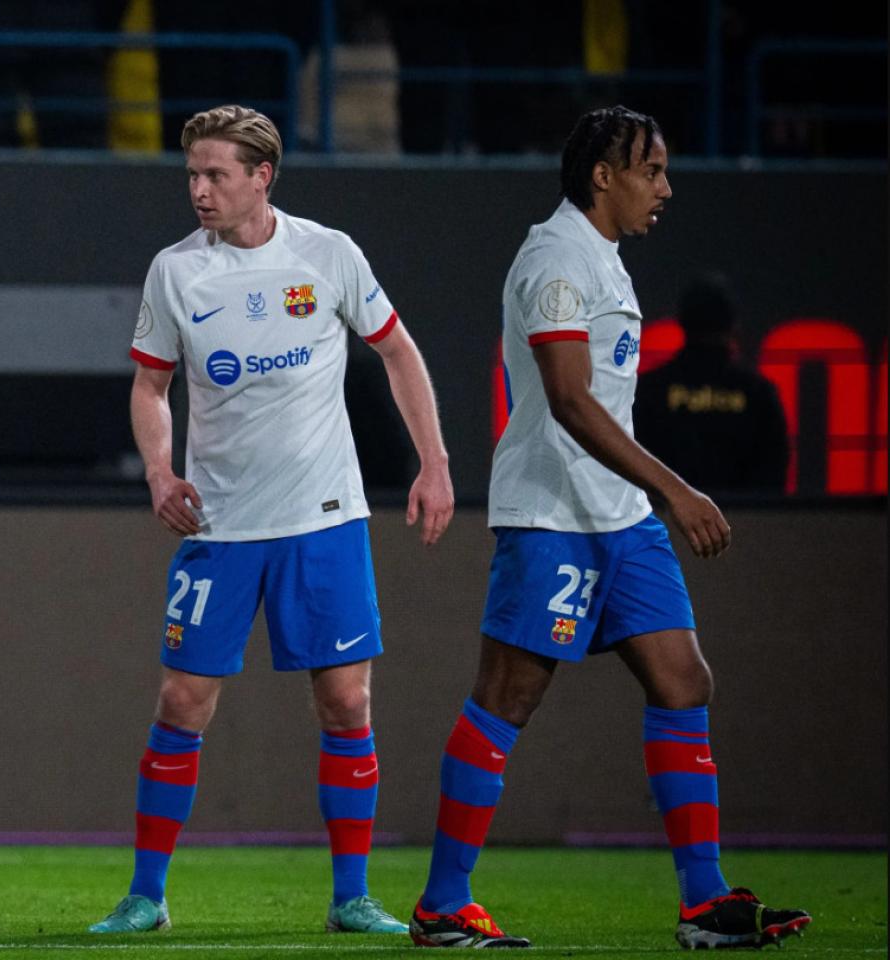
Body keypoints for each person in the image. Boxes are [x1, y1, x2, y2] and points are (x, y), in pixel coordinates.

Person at [407, 106, 811, 950]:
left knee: (684, 681)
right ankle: (443, 903)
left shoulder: (605, 262)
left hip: (619, 520)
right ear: (603, 175)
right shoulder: (556, 259)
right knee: (507, 698)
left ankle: (703, 902)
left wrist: (649, 501)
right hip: (554, 516)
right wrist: (678, 490)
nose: (664, 187)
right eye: (652, 169)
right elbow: (567, 399)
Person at [88, 104, 455, 937]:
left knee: (347, 704)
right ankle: (147, 895)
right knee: (181, 703)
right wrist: (157, 470)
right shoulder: (175, 272)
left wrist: (433, 462)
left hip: (323, 520)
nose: (200, 190)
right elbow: (151, 387)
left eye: (216, 174)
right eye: (192, 174)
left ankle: (352, 897)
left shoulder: (328, 254)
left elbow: (396, 351)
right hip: (218, 527)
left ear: (263, 176)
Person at [634, 273, 788, 494]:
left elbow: (633, 469)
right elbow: (773, 480)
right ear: (734, 326)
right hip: (748, 525)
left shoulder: (649, 391)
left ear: (681, 322)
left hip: (666, 521)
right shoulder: (758, 394)